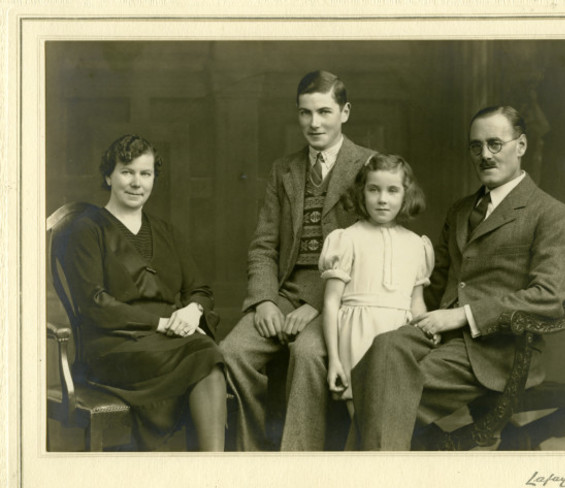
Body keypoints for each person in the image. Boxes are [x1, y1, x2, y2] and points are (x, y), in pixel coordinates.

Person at [351, 106, 565, 450]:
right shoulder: (460, 211)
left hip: (499, 351)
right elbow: (436, 281)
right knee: (383, 349)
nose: (484, 155)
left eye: (495, 144)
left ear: (522, 145)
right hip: (442, 337)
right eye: (476, 146)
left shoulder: (551, 214)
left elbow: (548, 296)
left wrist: (462, 315)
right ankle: (387, 474)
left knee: (383, 386)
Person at [220, 70, 376, 451]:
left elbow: (372, 250)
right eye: (305, 113)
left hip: (342, 296)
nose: (314, 123)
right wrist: (265, 300)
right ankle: (254, 458)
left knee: (307, 353)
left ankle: (298, 465)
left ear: (345, 112)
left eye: (324, 111)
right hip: (283, 292)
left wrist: (314, 305)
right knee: (232, 353)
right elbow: (262, 245)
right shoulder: (283, 169)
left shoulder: (371, 166)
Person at [63, 134, 227, 451]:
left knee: (204, 351)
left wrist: (193, 310)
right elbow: (94, 304)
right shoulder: (87, 229)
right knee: (204, 353)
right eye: (127, 171)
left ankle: (211, 471)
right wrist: (161, 323)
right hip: (112, 346)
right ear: (108, 175)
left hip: (164, 345)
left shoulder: (166, 231)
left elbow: (200, 289)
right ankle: (214, 475)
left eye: (145, 173)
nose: (137, 183)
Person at [319, 154, 433, 421]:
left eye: (393, 190)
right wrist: (334, 359)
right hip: (357, 334)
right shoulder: (347, 239)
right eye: (374, 190)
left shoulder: (417, 245)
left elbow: (417, 302)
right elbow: (331, 302)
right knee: (362, 419)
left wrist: (424, 337)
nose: (383, 199)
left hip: (399, 334)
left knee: (396, 419)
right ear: (362, 193)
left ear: (406, 194)